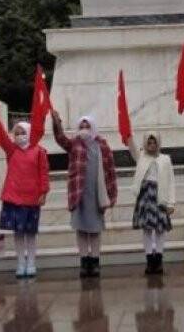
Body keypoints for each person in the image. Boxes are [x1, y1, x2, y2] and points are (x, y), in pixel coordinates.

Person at [53, 111, 119, 278]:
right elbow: (60, 138)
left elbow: (110, 170)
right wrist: (57, 123)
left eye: (87, 126)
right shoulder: (74, 144)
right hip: (79, 193)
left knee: (95, 229)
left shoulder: (102, 145)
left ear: (93, 127)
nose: (84, 129)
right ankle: (84, 261)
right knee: (81, 229)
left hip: (96, 194)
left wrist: (112, 193)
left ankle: (95, 261)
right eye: (81, 126)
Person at [0, 119, 50, 278]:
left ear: (30, 133)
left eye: (22, 132)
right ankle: (20, 263)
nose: (19, 136)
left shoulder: (39, 151)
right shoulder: (12, 150)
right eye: (16, 133)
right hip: (14, 198)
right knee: (18, 233)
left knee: (30, 234)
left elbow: (44, 173)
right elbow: (2, 138)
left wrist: (43, 192)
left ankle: (31, 263)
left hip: (32, 198)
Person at [125, 130, 176, 275]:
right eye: (149, 142)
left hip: (161, 195)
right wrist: (127, 133)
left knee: (160, 229)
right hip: (146, 195)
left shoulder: (165, 159)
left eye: (154, 142)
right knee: (147, 229)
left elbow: (171, 181)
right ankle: (149, 260)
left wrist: (171, 203)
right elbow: (131, 146)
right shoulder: (141, 156)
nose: (152, 145)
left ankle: (158, 259)